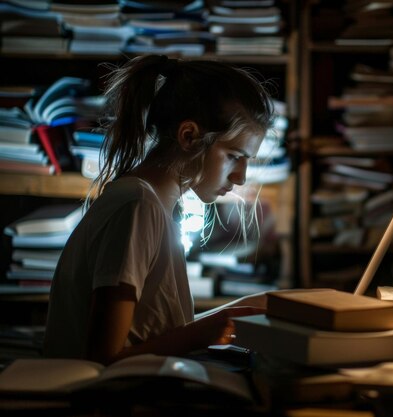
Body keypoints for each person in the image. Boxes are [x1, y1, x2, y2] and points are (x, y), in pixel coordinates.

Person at [43, 55, 275, 364]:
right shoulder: (138, 205)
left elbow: (152, 331)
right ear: (189, 136)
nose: (241, 177)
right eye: (234, 155)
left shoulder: (156, 205)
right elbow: (103, 358)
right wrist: (205, 331)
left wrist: (228, 316)